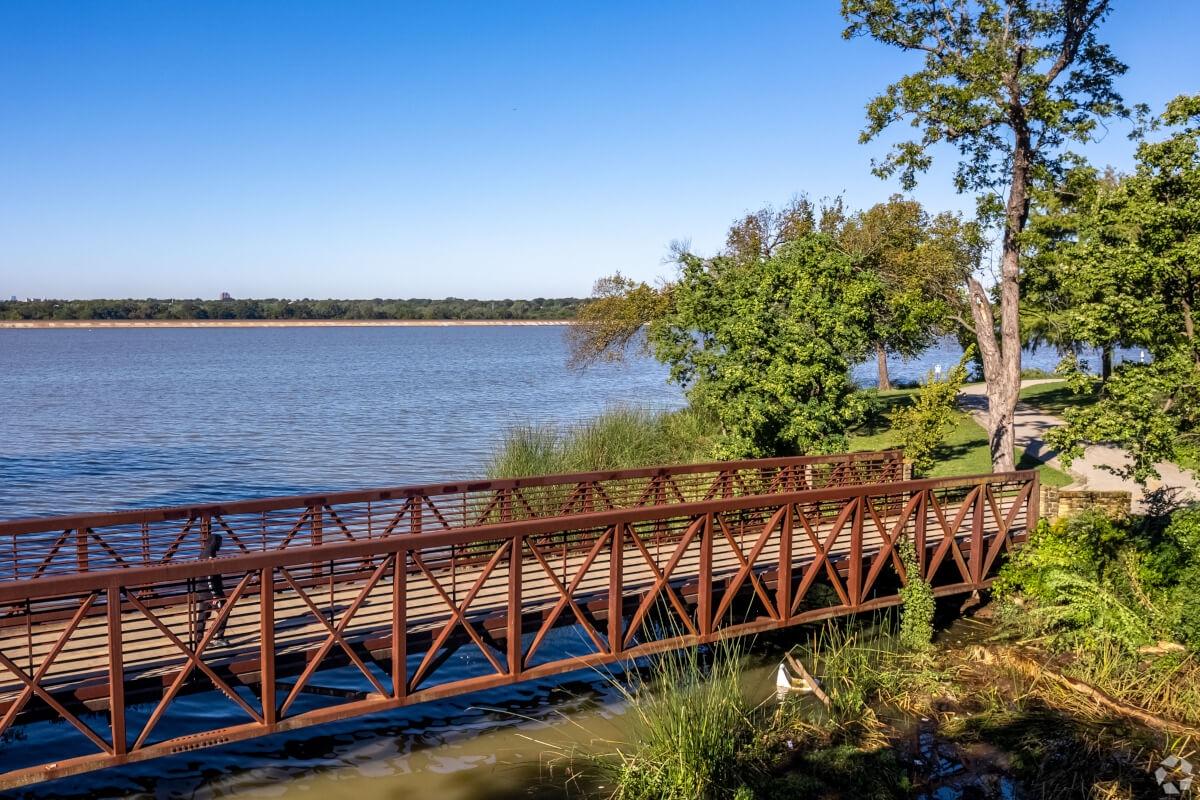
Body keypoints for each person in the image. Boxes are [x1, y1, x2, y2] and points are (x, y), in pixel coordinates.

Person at [192, 533, 231, 649]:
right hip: (211, 592)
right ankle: (219, 638)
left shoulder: (202, 554)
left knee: (203, 615)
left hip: (201, 590)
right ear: (215, 543)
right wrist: (215, 596)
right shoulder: (210, 557)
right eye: (219, 542)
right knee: (224, 611)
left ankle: (199, 639)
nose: (221, 545)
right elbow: (210, 577)